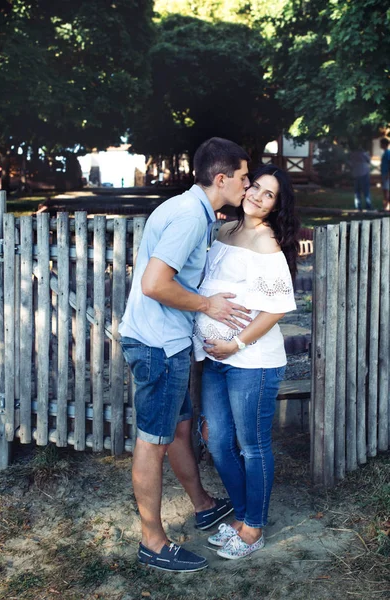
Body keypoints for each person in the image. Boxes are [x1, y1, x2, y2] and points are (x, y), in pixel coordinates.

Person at [119, 137, 251, 572]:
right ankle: (153, 542)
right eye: (244, 177)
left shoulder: (193, 211)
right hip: (158, 344)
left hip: (166, 341)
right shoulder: (189, 218)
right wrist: (209, 305)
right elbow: (155, 283)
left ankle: (202, 504)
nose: (247, 186)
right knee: (153, 440)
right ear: (221, 178)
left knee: (178, 428)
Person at [193, 163, 299, 560]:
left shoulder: (266, 242)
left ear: (276, 206)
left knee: (252, 446)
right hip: (214, 358)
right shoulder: (225, 229)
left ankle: (253, 528)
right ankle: (241, 518)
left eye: (268, 194)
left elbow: (277, 310)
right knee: (218, 441)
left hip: (252, 361)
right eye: (255, 186)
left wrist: (235, 344)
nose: (256, 195)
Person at [380, 138, 390, 211]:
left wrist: (388, 174)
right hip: (384, 174)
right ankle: (385, 206)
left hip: (387, 174)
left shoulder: (388, 153)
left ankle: (387, 206)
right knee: (385, 190)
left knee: (386, 190)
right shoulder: (385, 153)